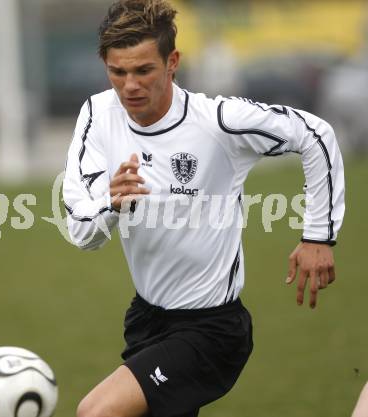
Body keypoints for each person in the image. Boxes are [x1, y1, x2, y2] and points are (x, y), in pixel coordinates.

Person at [63, 1, 345, 416]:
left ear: (172, 61)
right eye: (117, 72)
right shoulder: (97, 116)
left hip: (211, 330)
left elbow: (315, 134)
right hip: (145, 320)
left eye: (143, 71)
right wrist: (110, 203)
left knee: (96, 411)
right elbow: (80, 231)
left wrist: (317, 235)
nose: (129, 86)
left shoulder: (217, 122)